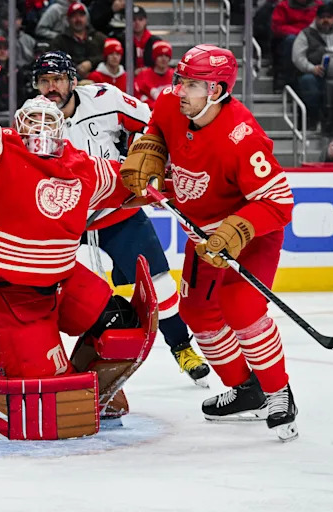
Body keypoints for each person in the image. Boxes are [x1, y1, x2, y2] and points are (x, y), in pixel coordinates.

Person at [0, 43, 144, 392]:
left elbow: (127, 182)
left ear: (61, 128)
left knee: (122, 326)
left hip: (61, 282)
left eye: (47, 123)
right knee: (50, 391)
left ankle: (94, 390)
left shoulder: (78, 165)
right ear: (18, 127)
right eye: (32, 124)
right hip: (7, 298)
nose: (40, 132)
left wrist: (166, 180)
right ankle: (53, 376)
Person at [121, 44, 298, 441]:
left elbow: (279, 202)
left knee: (241, 307)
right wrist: (149, 151)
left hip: (250, 234)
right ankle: (246, 390)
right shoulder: (171, 103)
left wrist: (235, 233)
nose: (180, 90)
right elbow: (157, 131)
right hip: (202, 237)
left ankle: (278, 392)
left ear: (216, 91)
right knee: (197, 313)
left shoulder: (243, 137)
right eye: (180, 80)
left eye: (192, 84)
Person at [32, 50, 210, 385]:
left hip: (117, 212)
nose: (51, 87)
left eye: (57, 79)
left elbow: (153, 125)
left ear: (72, 80)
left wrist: (148, 161)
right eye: (44, 81)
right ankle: (13, 353)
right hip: (64, 223)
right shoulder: (31, 117)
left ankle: (182, 348)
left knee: (161, 285)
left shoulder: (106, 99)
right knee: (43, 290)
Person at [134, 40, 175, 108]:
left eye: (166, 55)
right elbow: (137, 95)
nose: (163, 59)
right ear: (154, 57)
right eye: (160, 55)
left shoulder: (176, 76)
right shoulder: (143, 75)